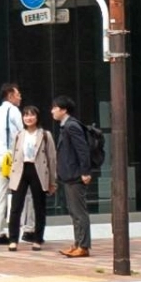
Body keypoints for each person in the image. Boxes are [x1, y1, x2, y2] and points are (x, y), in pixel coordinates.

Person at [6, 104, 56, 250]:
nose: (28, 118)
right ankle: (13, 239)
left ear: (37, 117)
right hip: (21, 171)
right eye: (26, 115)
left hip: (38, 171)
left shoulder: (45, 135)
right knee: (16, 207)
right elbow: (14, 155)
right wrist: (11, 176)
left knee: (39, 207)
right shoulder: (19, 135)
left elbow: (52, 159)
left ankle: (38, 239)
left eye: (32, 115)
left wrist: (53, 181)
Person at [51, 96, 93, 260]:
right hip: (70, 175)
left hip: (75, 175)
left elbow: (82, 150)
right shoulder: (66, 126)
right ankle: (78, 244)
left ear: (64, 110)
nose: (52, 111)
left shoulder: (71, 126)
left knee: (79, 211)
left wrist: (85, 172)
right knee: (74, 211)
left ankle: (83, 246)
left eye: (55, 108)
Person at [0, 81, 22, 245]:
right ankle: (27, 229)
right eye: (17, 94)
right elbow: (22, 134)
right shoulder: (13, 111)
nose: (20, 97)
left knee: (0, 196)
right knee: (24, 194)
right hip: (13, 159)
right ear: (10, 95)